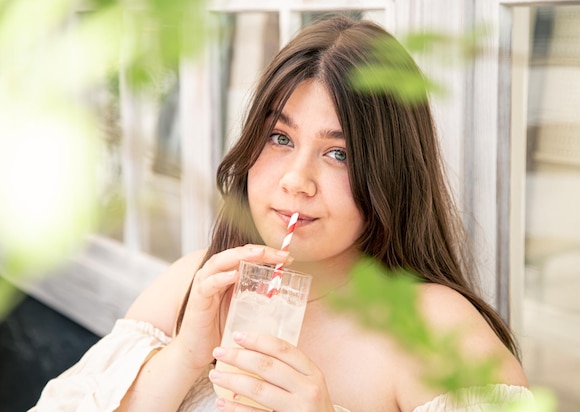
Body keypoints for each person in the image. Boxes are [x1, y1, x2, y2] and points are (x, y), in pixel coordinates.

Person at [31, 15, 532, 411]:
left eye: (340, 153)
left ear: (389, 174)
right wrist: (185, 357)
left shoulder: (438, 332)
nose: (297, 179)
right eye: (280, 138)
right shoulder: (197, 283)